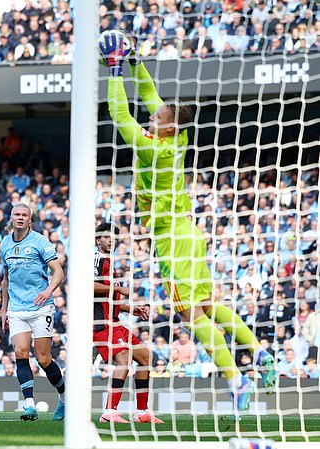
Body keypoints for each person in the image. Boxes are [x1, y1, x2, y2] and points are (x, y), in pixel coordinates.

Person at [100, 30, 276, 412]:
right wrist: (134, 61)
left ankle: (235, 378)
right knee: (210, 307)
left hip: (172, 240)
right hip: (190, 233)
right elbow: (147, 94)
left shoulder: (152, 149)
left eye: (158, 116)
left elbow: (119, 113)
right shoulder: (174, 139)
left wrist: (115, 71)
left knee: (191, 315)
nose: (151, 114)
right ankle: (260, 354)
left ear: (168, 127)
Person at [0, 203, 66, 421]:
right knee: (20, 352)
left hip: (40, 307)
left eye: (24, 215)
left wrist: (48, 291)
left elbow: (58, 272)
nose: (20, 217)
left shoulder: (40, 241)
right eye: (17, 214)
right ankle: (29, 405)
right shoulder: (5, 244)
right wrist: (3, 308)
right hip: (16, 308)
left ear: (30, 219)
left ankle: (65, 399)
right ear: (11, 218)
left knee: (43, 358)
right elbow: (6, 279)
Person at [93, 223, 163, 424]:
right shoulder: (97, 260)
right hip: (100, 323)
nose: (111, 240)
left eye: (114, 237)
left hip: (114, 321)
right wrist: (118, 290)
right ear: (98, 240)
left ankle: (142, 412)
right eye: (106, 237)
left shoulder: (110, 264)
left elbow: (110, 302)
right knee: (123, 361)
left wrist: (132, 309)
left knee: (145, 358)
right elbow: (86, 285)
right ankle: (109, 412)